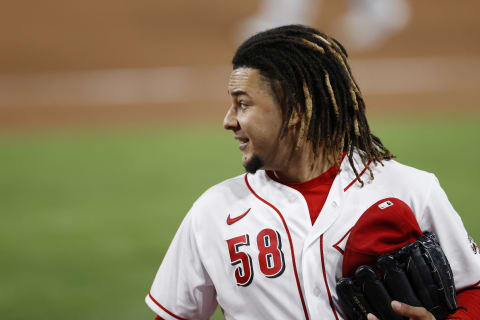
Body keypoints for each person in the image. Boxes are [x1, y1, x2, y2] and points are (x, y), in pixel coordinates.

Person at [146, 25, 480, 319]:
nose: (228, 120)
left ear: (293, 108)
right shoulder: (212, 213)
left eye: (243, 103)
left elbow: (473, 289)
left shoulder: (411, 188)